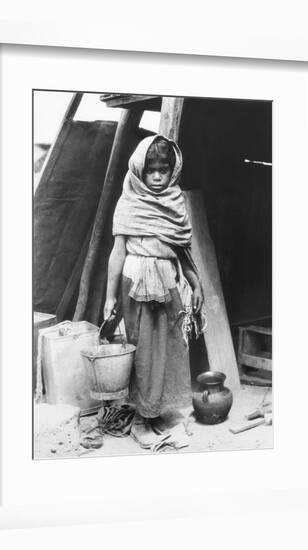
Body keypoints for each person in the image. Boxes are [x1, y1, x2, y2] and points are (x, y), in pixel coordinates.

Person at [103, 134, 205, 448]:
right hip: (136, 285)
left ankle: (159, 411)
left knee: (172, 347)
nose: (158, 175)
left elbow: (181, 252)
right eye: (151, 170)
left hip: (168, 283)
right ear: (139, 170)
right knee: (143, 350)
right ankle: (141, 417)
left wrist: (195, 282)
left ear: (173, 170)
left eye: (164, 168)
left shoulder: (175, 203)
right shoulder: (129, 201)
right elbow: (117, 253)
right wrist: (109, 296)